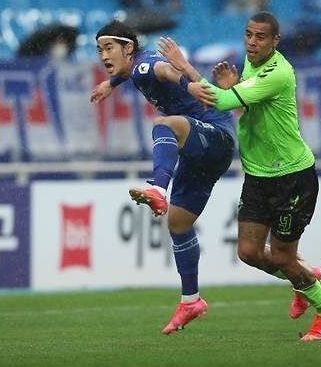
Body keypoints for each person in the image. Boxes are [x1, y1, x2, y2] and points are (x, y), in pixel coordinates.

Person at [159, 11, 321, 341]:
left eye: (260, 37)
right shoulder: (250, 65)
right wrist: (238, 87)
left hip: (292, 178)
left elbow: (219, 101)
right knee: (249, 252)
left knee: (284, 256)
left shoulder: (278, 72)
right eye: (248, 35)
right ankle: (302, 279)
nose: (252, 42)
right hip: (258, 176)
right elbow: (246, 104)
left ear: (275, 41)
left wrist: (184, 67)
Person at [89, 20, 236, 335]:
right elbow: (130, 73)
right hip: (203, 150)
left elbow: (164, 71)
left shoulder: (145, 65)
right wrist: (110, 84)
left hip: (217, 137)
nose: (103, 55)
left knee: (164, 124)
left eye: (108, 47)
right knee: (179, 224)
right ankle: (191, 300)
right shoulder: (132, 68)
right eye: (99, 49)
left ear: (128, 47)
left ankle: (158, 187)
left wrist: (188, 84)